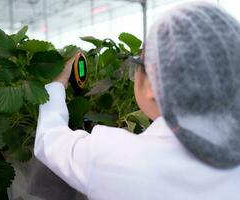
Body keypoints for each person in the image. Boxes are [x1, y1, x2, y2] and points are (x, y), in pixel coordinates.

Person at [34, 2, 240, 200]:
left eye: (139, 63)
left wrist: (57, 84)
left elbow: (51, 140)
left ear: (153, 83)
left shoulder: (115, 158)